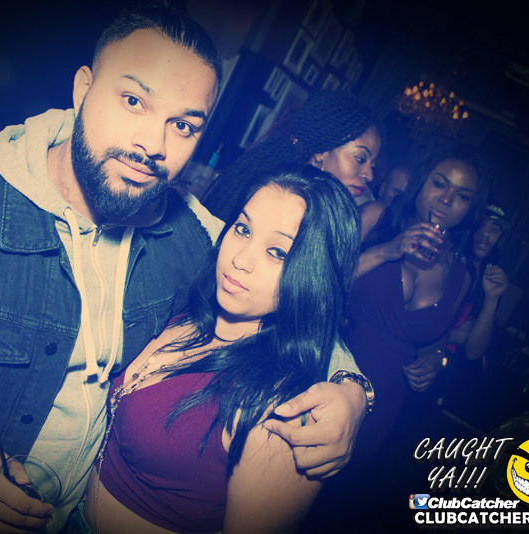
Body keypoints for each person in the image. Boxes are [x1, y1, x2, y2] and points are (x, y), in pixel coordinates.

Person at [0, 5, 367, 533]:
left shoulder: (193, 231)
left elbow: (292, 292)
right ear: (83, 86)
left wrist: (351, 392)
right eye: (134, 101)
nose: (153, 144)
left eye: (184, 125)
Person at [76, 169, 365, 534]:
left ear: (314, 276)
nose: (241, 259)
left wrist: (355, 391)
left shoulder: (281, 408)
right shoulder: (187, 311)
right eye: (242, 229)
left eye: (277, 252)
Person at [346, 144, 490, 461]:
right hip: (325, 373)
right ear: (421, 181)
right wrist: (387, 251)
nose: (447, 199)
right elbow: (317, 277)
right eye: (439, 183)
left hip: (381, 405)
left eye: (462, 195)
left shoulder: (462, 272)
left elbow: (434, 341)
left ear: (471, 208)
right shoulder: (375, 216)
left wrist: (433, 360)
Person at [203, 90, 382, 221]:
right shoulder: (289, 202)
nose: (369, 175)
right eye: (360, 158)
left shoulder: (318, 207)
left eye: (372, 164)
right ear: (322, 151)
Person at [446, 203, 510, 360]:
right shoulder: (448, 260)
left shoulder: (490, 278)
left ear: (500, 235)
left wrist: (492, 299)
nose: (485, 234)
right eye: (481, 225)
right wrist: (449, 336)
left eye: (494, 229)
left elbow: (474, 352)